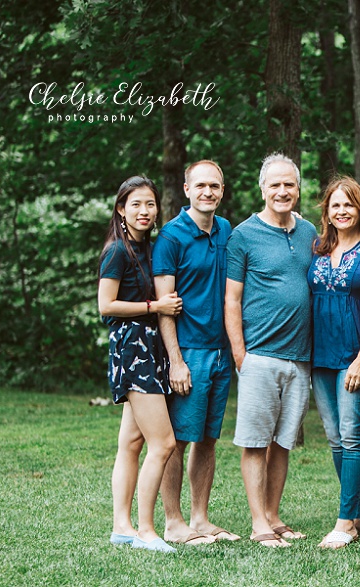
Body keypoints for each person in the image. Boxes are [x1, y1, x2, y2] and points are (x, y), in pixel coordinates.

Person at [224, 153, 318, 548]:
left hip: (300, 357)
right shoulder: (243, 235)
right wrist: (241, 355)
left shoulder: (310, 230)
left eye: (289, 185)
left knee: (283, 443)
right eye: (275, 185)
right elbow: (232, 300)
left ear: (298, 189)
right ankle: (258, 522)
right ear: (262, 188)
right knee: (255, 441)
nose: (282, 191)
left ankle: (274, 516)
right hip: (260, 354)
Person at [153, 160, 238, 545]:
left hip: (221, 350)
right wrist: (176, 361)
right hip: (188, 351)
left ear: (222, 191)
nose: (208, 192)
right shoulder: (171, 236)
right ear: (186, 189)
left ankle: (200, 519)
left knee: (207, 439)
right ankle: (173, 522)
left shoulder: (226, 230)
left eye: (215, 186)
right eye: (201, 185)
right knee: (179, 439)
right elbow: (164, 303)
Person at [308, 177, 360, 549]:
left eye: (349, 205)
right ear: (327, 210)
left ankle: (344, 522)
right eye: (335, 205)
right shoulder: (318, 247)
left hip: (358, 353)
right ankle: (358, 512)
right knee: (335, 438)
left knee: (352, 434)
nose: (342, 211)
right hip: (321, 353)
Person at [98, 176, 182, 553]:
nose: (144, 211)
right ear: (121, 209)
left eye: (150, 204)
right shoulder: (118, 251)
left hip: (151, 345)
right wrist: (155, 307)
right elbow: (106, 306)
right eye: (136, 205)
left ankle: (121, 526)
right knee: (163, 442)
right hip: (133, 347)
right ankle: (146, 532)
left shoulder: (150, 247)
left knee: (131, 442)